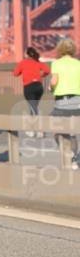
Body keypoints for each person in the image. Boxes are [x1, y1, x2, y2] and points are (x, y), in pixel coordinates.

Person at [49, 38, 80, 170]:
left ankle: (69, 154)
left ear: (60, 49)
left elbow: (54, 81)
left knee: (55, 128)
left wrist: (51, 87)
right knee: (72, 132)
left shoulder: (56, 63)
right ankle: (74, 159)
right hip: (77, 102)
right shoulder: (78, 64)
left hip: (62, 102)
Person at [13, 46, 50, 117]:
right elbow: (47, 70)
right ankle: (33, 120)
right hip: (38, 87)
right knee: (34, 106)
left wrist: (22, 71)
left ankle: (35, 120)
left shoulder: (23, 62)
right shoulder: (38, 62)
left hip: (29, 87)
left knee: (32, 107)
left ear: (27, 54)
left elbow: (15, 74)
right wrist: (42, 75)